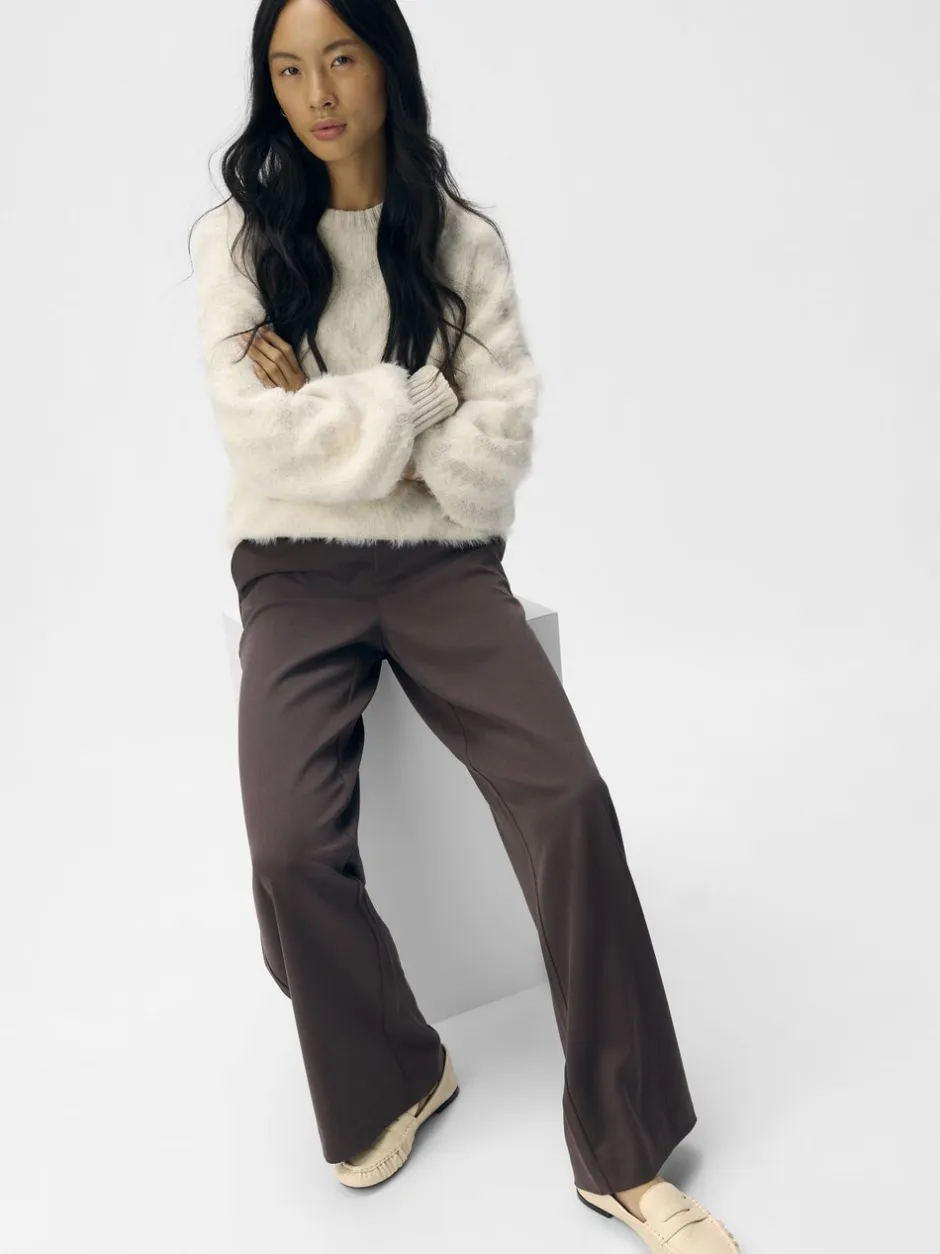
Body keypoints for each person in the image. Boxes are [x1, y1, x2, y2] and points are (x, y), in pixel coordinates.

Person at [189, 2, 738, 1249]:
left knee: (569, 802)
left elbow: (494, 456)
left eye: (340, 58)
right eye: (288, 68)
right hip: (291, 567)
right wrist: (417, 402)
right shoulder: (238, 239)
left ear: (386, 65)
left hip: (443, 560)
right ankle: (396, 1068)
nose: (317, 94)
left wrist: (338, 404)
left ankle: (623, 1147)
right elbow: (260, 438)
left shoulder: (462, 241)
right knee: (287, 849)